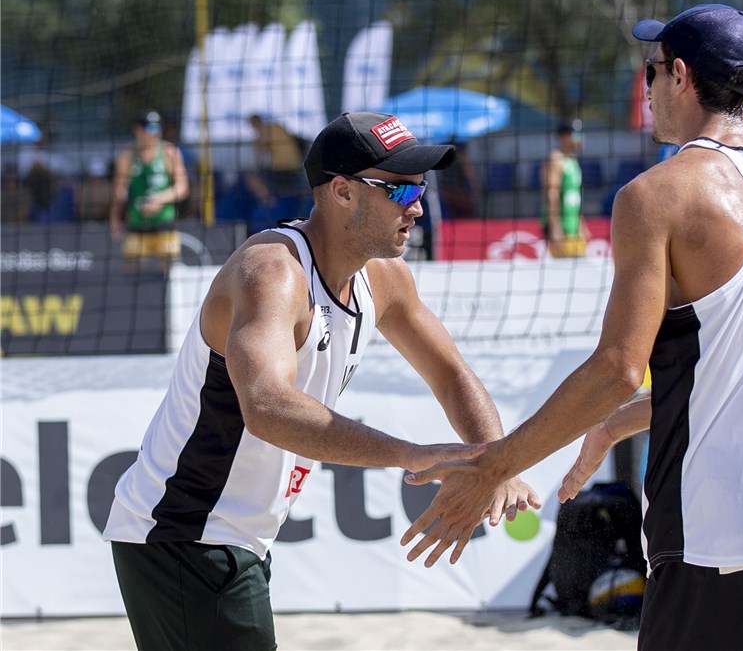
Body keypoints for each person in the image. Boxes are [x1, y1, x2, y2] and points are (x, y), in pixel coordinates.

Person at [401, 5, 743, 650]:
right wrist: (627, 418)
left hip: (724, 532)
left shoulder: (658, 194)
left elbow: (617, 367)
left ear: (679, 75)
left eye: (649, 72)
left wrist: (493, 466)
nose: (644, 89)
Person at [102, 110, 539, 651]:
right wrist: (411, 453)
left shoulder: (382, 279)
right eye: (400, 192)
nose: (418, 207)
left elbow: (451, 374)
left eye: (420, 189)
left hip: (235, 536)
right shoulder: (273, 272)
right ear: (342, 191)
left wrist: (495, 460)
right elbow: (266, 408)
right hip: (184, 531)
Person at [110, 110, 190, 272]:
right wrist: (114, 219)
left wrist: (159, 200)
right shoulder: (126, 156)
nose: (154, 133)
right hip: (137, 223)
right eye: (150, 129)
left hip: (164, 223)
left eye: (157, 128)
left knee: (168, 272)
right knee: (131, 272)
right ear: (138, 130)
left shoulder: (170, 152)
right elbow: (119, 191)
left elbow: (182, 188)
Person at [244, 114, 310, 233]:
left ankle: (267, 200)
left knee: (250, 177)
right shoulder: (277, 127)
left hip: (282, 171)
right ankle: (269, 199)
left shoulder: (264, 131)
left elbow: (259, 157)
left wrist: (259, 170)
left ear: (254, 124)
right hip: (297, 170)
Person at [541, 119, 590, 258]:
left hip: (574, 227)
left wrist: (582, 226)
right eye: (575, 134)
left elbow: (575, 199)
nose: (579, 138)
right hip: (562, 227)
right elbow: (551, 195)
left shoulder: (573, 161)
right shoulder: (556, 159)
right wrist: (554, 228)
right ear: (563, 137)